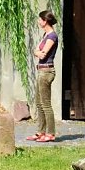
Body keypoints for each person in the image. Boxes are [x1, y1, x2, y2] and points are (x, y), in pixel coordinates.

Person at [27, 10, 59, 143]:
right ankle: (40, 131)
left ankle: (50, 133)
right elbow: (36, 51)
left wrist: (37, 52)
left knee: (46, 104)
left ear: (45, 21)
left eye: (40, 19)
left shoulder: (52, 36)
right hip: (41, 71)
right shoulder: (46, 35)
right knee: (39, 103)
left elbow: (42, 54)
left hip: (46, 72)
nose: (38, 21)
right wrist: (37, 52)